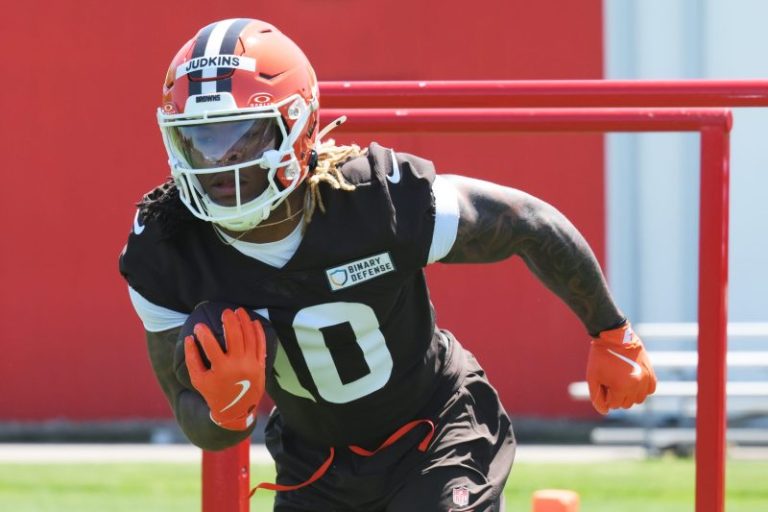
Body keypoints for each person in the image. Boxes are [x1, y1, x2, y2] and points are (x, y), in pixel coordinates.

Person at [119, 18, 657, 512]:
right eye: (199, 139)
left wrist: (611, 332)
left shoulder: (375, 200)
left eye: (239, 135)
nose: (219, 162)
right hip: (315, 465)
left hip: (434, 431)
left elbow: (525, 221)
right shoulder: (165, 248)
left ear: (296, 127)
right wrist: (226, 409)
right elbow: (197, 421)